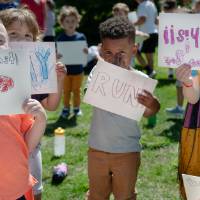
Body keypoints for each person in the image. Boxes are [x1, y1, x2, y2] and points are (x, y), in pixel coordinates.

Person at [86, 16, 160, 200]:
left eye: (121, 53)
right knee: (97, 194)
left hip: (127, 150)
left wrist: (152, 104)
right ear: (102, 52)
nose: (115, 59)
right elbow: (91, 94)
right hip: (97, 149)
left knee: (125, 195)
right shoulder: (98, 73)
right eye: (109, 53)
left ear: (134, 50)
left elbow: (151, 111)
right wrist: (111, 74)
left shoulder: (139, 79)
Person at [0, 7, 65, 200]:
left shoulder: (39, 70)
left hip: (26, 144)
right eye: (14, 34)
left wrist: (58, 80)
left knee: (35, 189)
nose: (21, 40)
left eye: (28, 35)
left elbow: (51, 105)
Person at [0, 20, 46, 200]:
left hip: (16, 188)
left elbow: (27, 144)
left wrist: (41, 119)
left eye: (0, 41)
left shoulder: (16, 94)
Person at [57, 5, 88, 117]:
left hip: (78, 71)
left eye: (73, 21)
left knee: (76, 91)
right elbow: (57, 56)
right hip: (64, 71)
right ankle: (65, 108)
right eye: (67, 21)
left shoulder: (81, 37)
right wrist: (58, 55)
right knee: (66, 91)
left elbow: (85, 54)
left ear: (77, 22)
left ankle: (76, 108)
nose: (70, 23)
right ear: (62, 23)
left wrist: (85, 51)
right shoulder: (60, 38)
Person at [176, 63, 200, 199]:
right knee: (196, 187)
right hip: (197, 129)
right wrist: (187, 81)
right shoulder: (197, 55)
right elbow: (193, 96)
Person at [134, 0, 158, 78]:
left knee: (135, 51)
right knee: (149, 55)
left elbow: (143, 19)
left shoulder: (142, 5)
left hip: (146, 33)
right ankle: (151, 73)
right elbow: (156, 20)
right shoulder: (152, 4)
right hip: (154, 32)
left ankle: (150, 72)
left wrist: (131, 24)